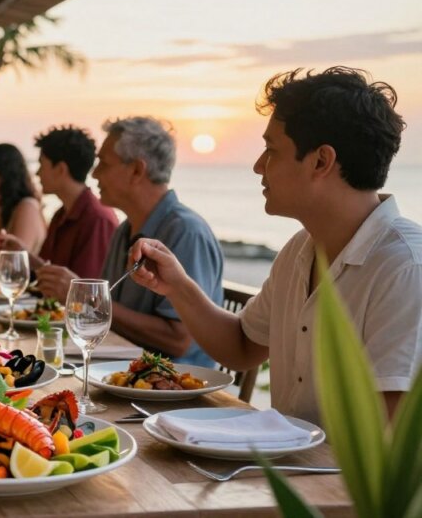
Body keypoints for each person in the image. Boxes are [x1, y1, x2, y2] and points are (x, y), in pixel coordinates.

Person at [128, 67, 422, 424]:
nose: (257, 166)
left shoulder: (405, 268)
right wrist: (177, 285)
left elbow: (390, 437)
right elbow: (240, 346)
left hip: (328, 479)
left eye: (271, 150)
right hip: (284, 470)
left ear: (321, 161)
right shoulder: (301, 249)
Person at [37, 116, 224, 368]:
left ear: (136, 170)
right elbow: (110, 315)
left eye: (103, 163)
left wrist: (84, 299)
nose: (94, 173)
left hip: (174, 389)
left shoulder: (186, 232)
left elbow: (178, 340)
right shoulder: (125, 230)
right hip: (120, 372)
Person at [0, 126, 118, 278]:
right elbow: (54, 276)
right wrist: (24, 255)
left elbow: (87, 292)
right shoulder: (61, 215)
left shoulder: (97, 219)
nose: (37, 172)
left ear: (60, 169)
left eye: (41, 164)